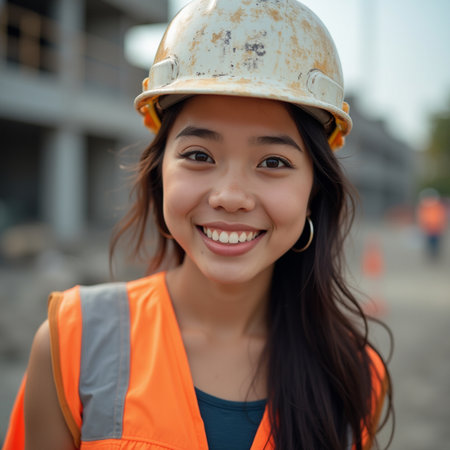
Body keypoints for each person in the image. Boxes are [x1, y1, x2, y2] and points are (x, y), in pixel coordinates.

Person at [3, 1, 393, 449]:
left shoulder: (354, 373)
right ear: (159, 173)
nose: (229, 196)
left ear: (314, 192)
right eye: (198, 155)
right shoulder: (71, 340)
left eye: (273, 161)